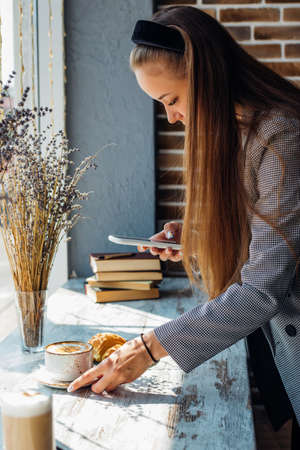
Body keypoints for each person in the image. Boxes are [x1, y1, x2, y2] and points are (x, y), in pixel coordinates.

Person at [68, 6, 300, 447]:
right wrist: (198, 238)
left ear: (207, 77)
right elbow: (271, 237)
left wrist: (149, 347)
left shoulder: (283, 136)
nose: (171, 117)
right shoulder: (241, 130)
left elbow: (263, 287)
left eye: (171, 100)